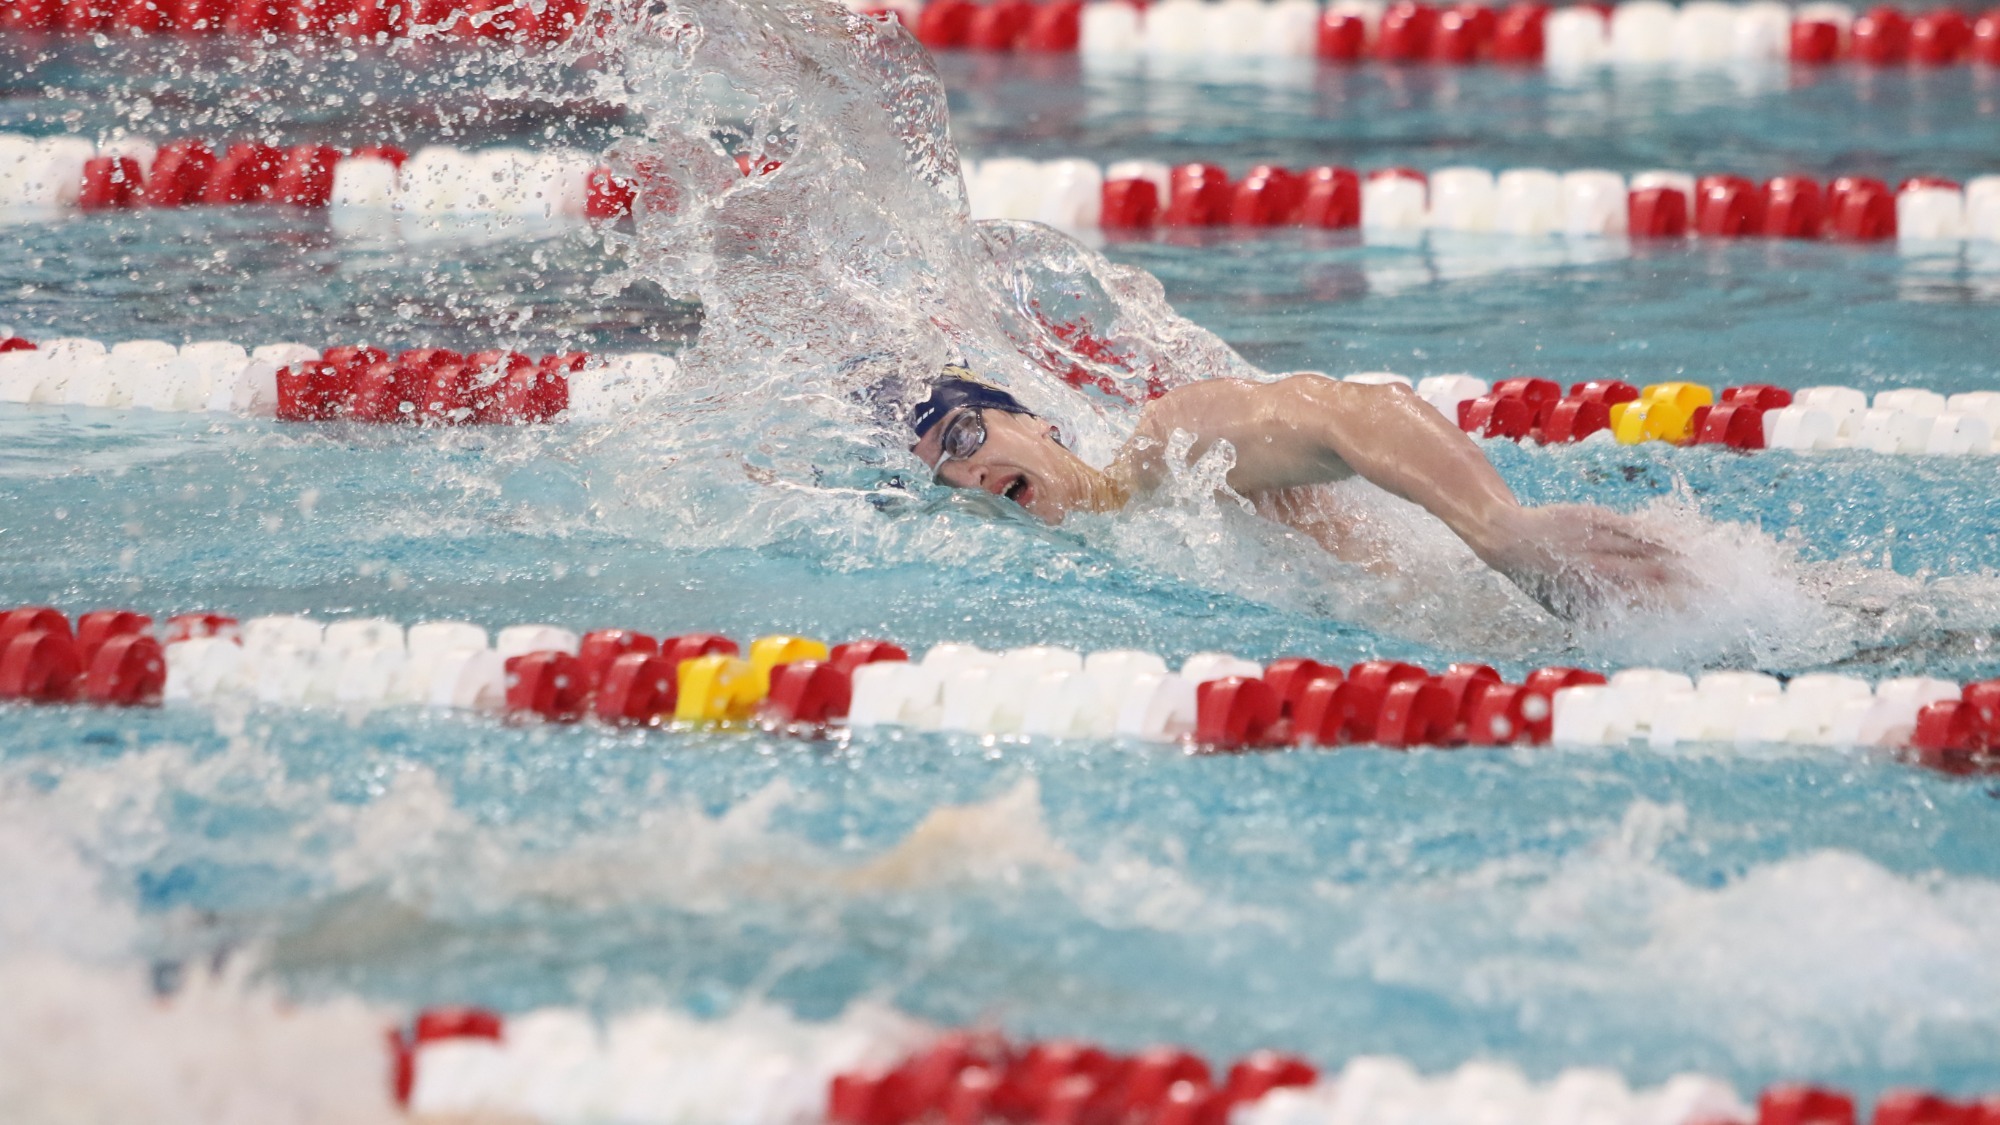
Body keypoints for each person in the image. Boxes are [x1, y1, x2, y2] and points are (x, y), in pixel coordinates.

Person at [906, 366, 1684, 621]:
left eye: (966, 436)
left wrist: (1501, 528)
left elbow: (1355, 412)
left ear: (1034, 422)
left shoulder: (1166, 456)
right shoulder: (1084, 573)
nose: (966, 473)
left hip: (1583, 594)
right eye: (945, 474)